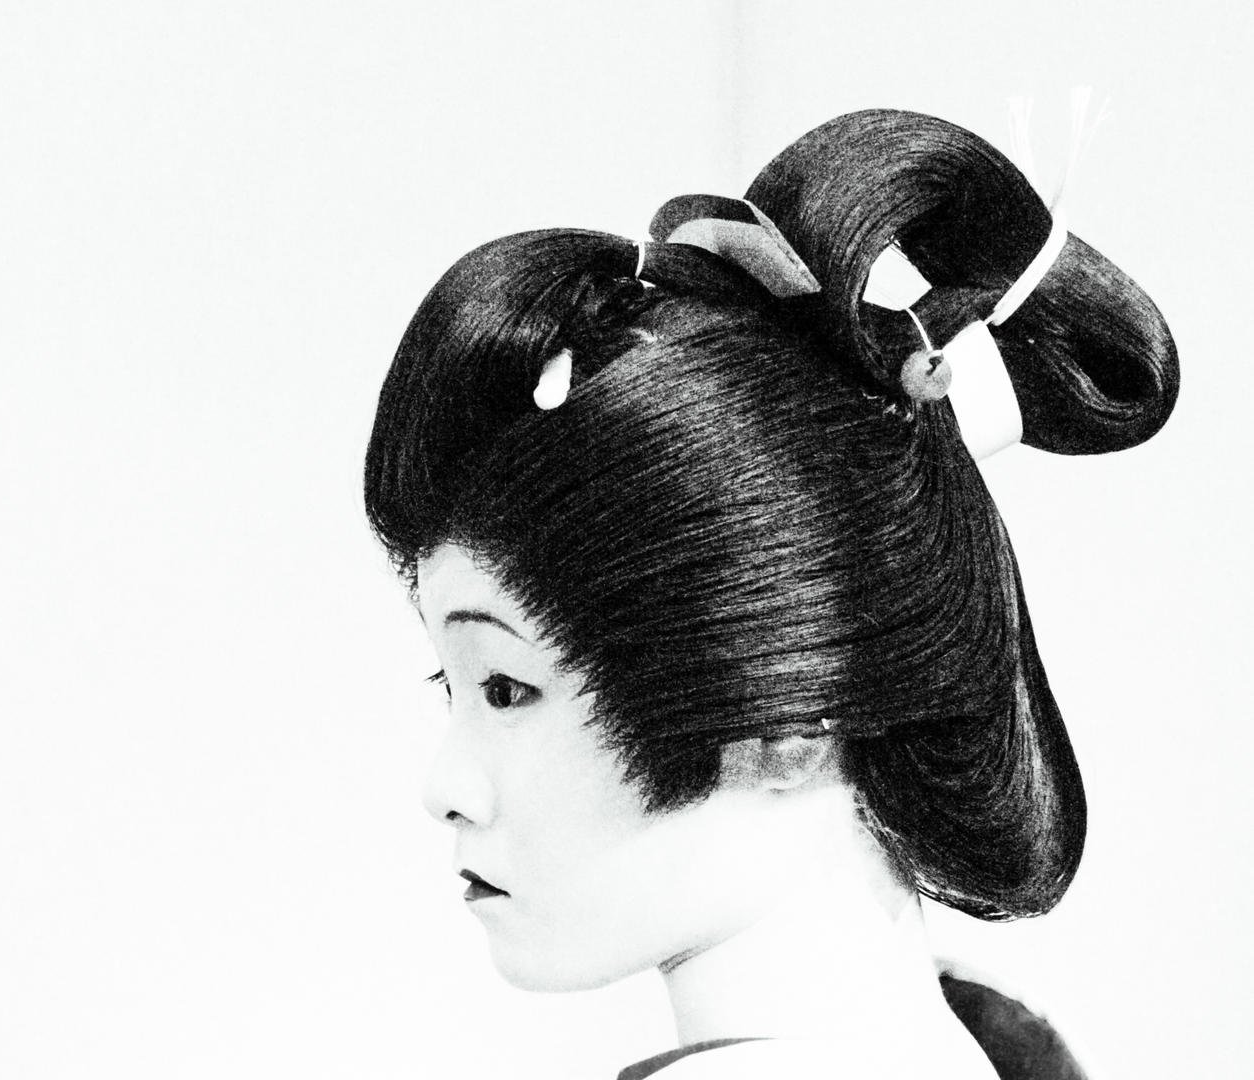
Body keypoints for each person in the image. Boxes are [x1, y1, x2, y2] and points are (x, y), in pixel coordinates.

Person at [362, 109, 1178, 1079]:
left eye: (506, 688)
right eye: (450, 687)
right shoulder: (990, 1044)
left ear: (787, 724)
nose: (443, 790)